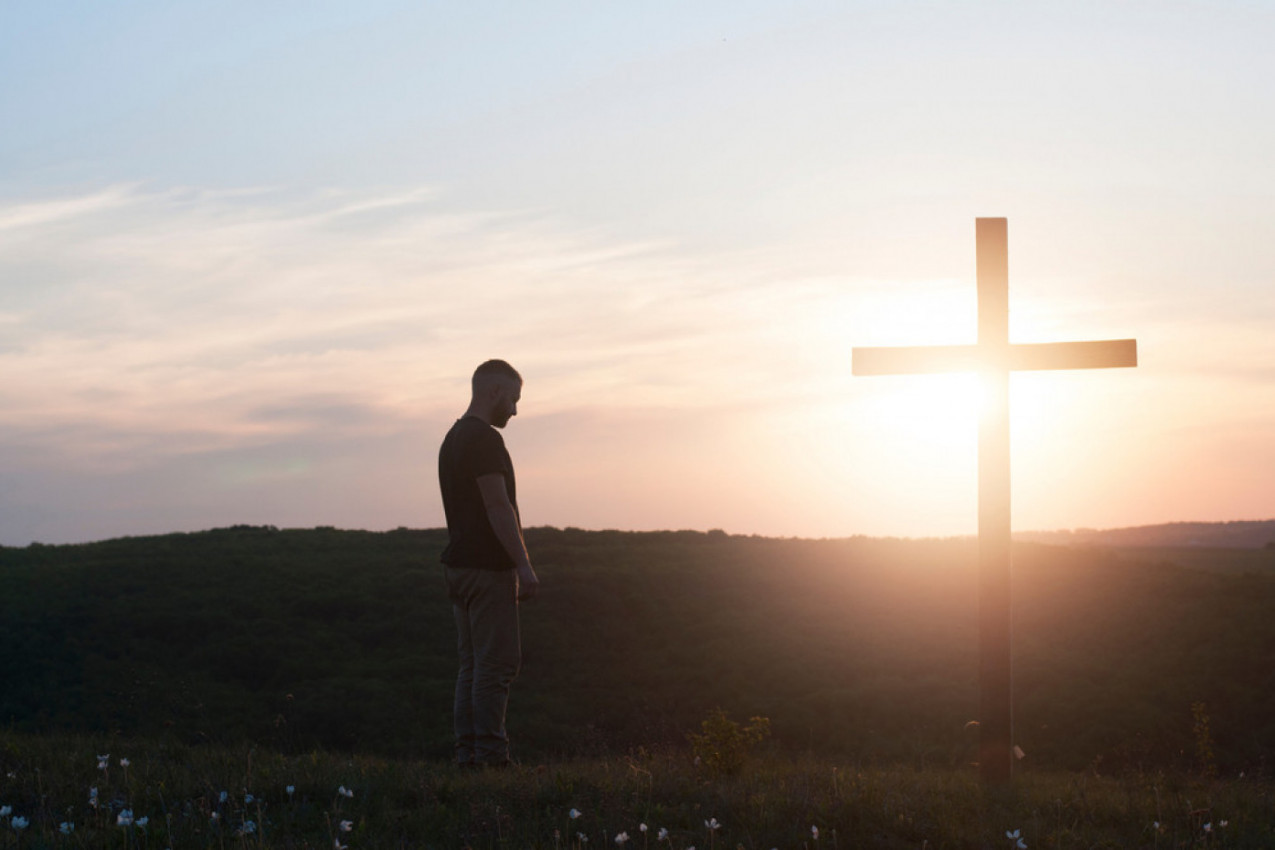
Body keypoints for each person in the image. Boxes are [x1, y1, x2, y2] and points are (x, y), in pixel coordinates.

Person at [437, 359, 539, 767]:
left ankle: (468, 756)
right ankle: (492, 760)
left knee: (472, 667)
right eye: (513, 399)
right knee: (495, 667)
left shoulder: (454, 437)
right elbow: (498, 506)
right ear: (494, 391)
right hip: (486, 569)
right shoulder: (483, 440)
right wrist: (524, 566)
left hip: (458, 568)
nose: (514, 410)